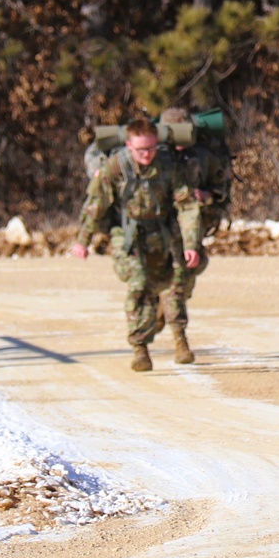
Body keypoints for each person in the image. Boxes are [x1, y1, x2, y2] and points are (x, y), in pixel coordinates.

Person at [71, 118, 202, 372]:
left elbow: (187, 206)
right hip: (128, 233)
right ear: (129, 145)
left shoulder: (168, 166)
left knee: (177, 281)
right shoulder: (116, 167)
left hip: (162, 229)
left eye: (151, 148)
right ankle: (140, 349)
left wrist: (191, 243)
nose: (146, 154)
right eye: (141, 149)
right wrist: (83, 240)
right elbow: (96, 203)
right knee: (139, 283)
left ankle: (180, 341)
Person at [153, 107, 232, 350]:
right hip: (159, 226)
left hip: (192, 224)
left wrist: (205, 195)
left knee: (187, 277)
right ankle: (180, 339)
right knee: (176, 278)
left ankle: (164, 307)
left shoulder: (203, 157)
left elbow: (221, 190)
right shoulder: (150, 156)